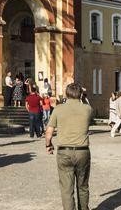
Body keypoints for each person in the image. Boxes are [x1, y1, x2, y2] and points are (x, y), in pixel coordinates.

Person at [45, 82, 94, 210]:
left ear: (66, 94)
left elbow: (49, 133)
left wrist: (48, 145)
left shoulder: (58, 109)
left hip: (64, 152)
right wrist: (83, 96)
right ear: (81, 94)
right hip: (82, 152)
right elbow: (88, 110)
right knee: (83, 186)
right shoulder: (87, 109)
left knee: (66, 189)